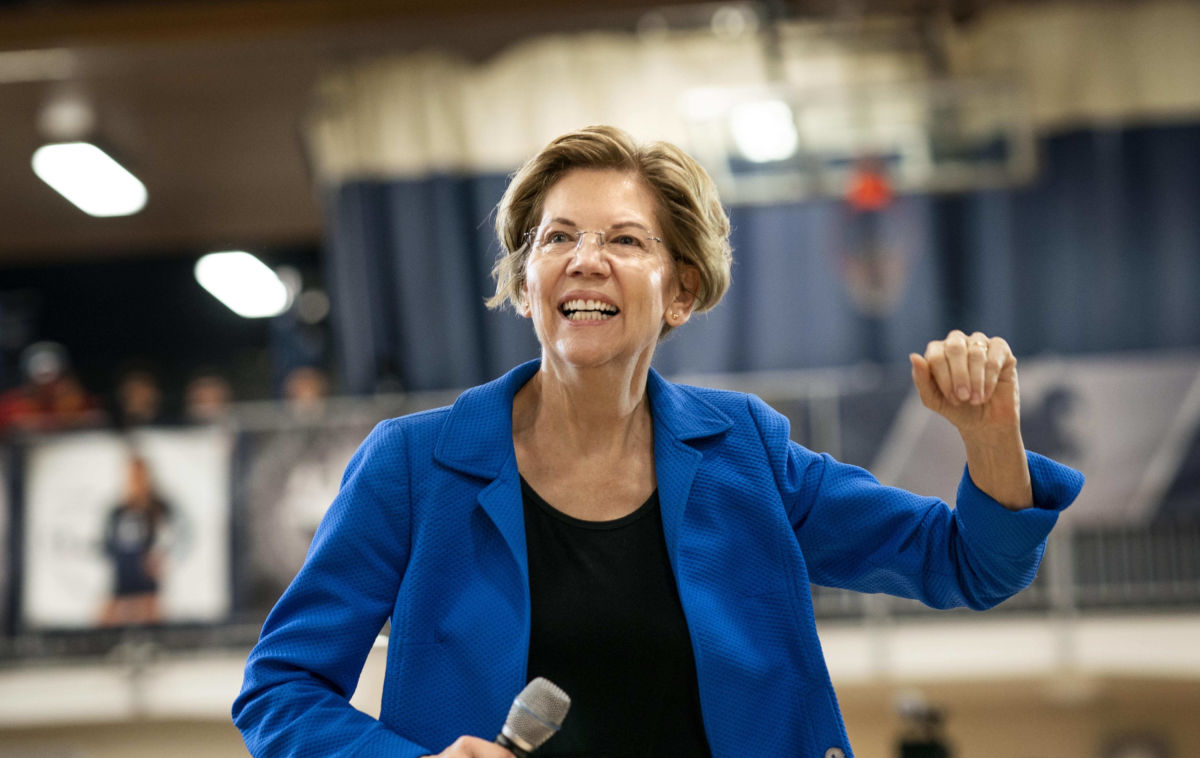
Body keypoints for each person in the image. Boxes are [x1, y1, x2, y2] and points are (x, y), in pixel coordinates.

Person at [233, 125, 1083, 758]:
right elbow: (281, 688)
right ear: (525, 286)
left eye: (625, 240)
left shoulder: (746, 452)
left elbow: (971, 566)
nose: (585, 259)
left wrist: (989, 440)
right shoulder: (412, 468)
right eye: (556, 237)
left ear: (681, 293)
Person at [98, 455, 175, 627]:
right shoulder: (118, 511)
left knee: (152, 613)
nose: (135, 482)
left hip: (146, 578)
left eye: (139, 477)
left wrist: (155, 561)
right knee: (105, 616)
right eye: (132, 477)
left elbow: (164, 541)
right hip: (123, 575)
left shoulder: (157, 509)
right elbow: (108, 544)